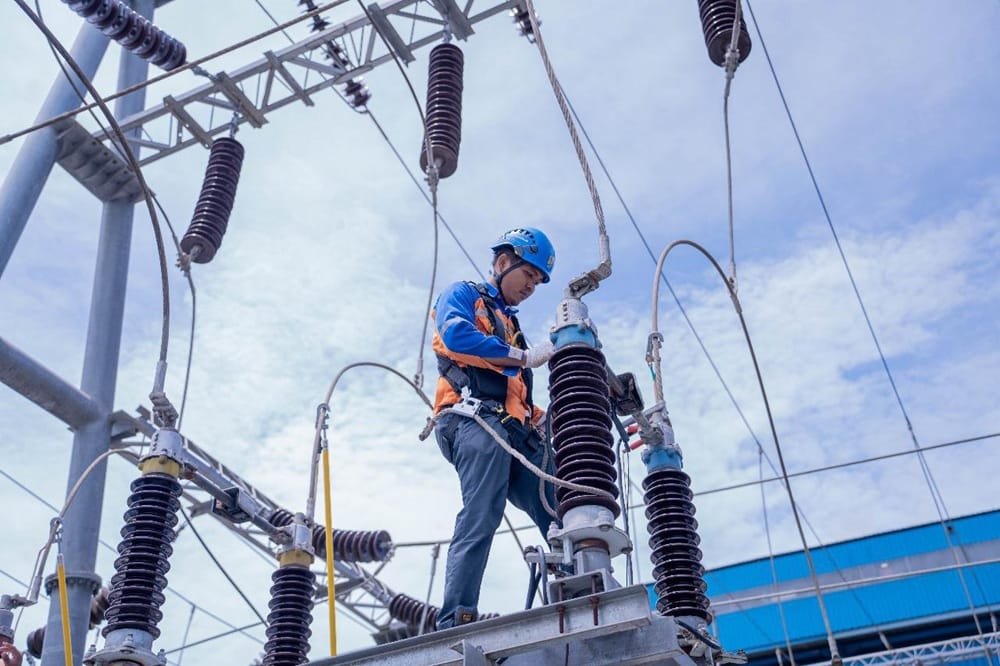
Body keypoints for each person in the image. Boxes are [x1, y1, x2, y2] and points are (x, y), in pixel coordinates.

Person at [431, 227, 559, 630]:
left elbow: (512, 394)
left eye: (538, 282)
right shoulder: (464, 295)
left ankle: (579, 587)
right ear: (504, 263)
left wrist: (539, 414)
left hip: (509, 427)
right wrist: (521, 356)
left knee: (557, 503)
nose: (531, 287)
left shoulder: (511, 325)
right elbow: (456, 335)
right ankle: (456, 618)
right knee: (484, 510)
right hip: (469, 419)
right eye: (529, 275)